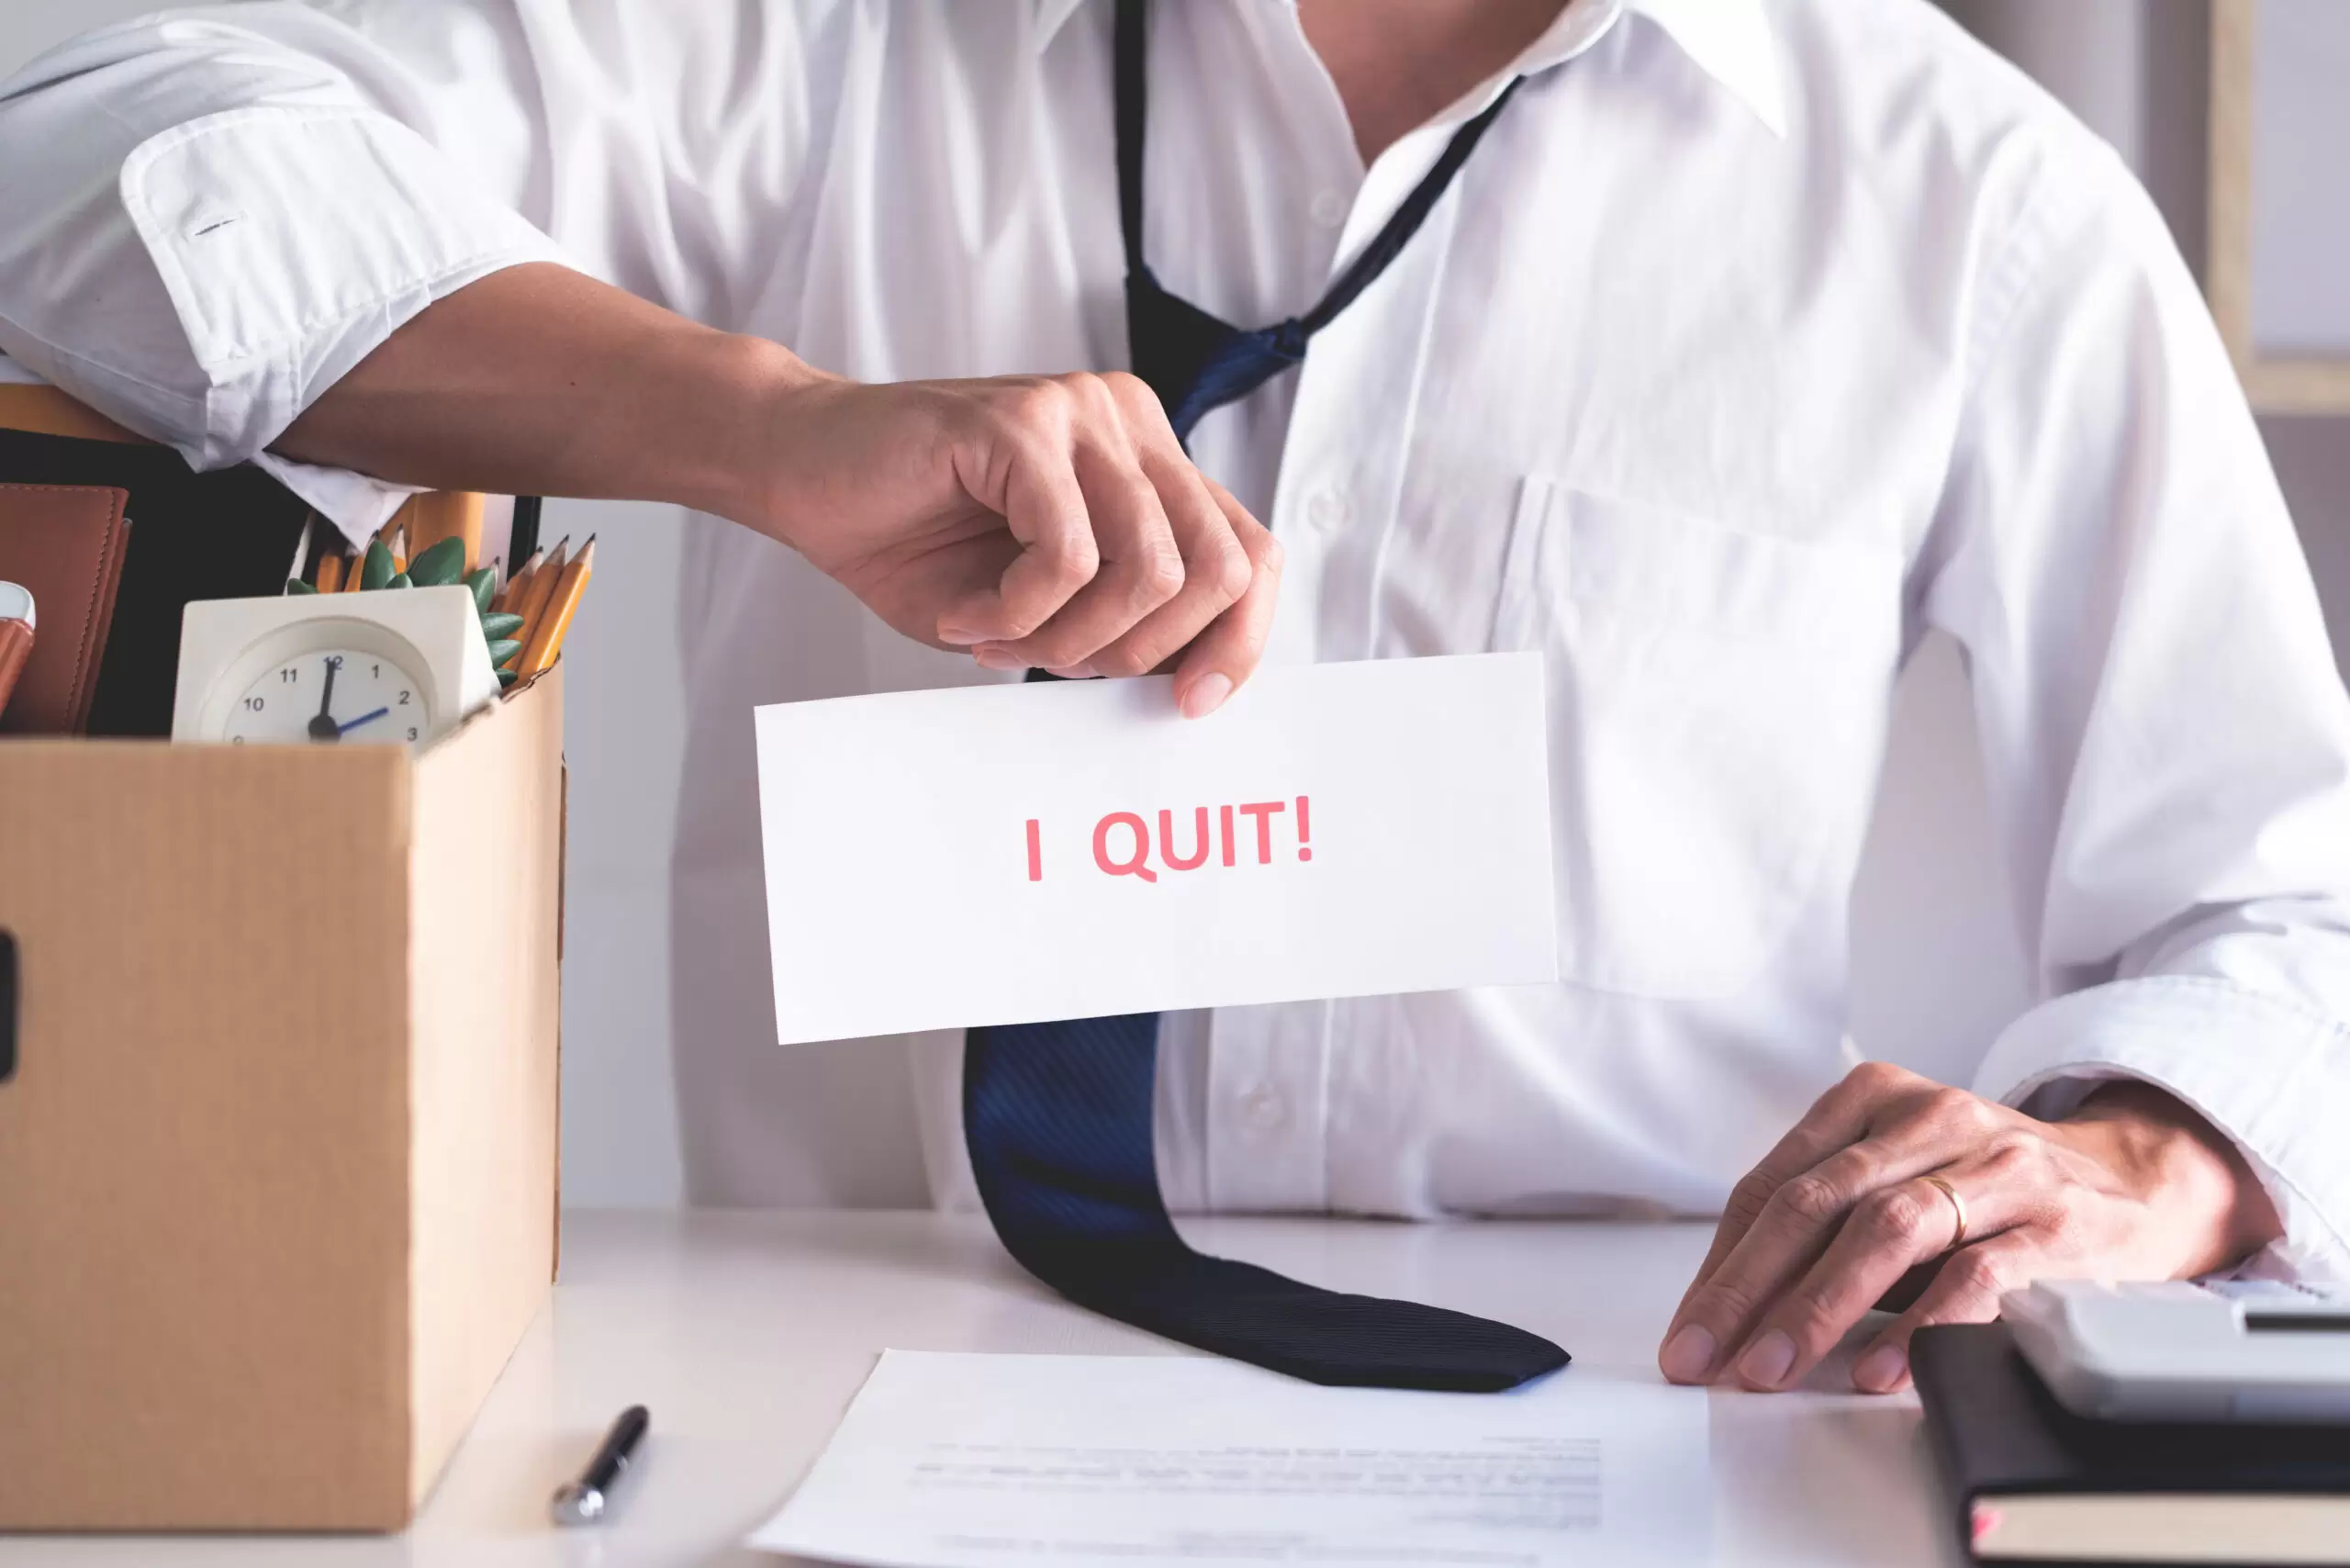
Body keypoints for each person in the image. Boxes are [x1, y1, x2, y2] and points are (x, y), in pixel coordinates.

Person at [2, 0, 2344, 1400]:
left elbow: (2292, 913)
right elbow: (80, 142)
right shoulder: (805, 43)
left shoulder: (1961, 196)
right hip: (804, 1408)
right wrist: (755, 419)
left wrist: (2138, 1161)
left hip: (1640, 1435)